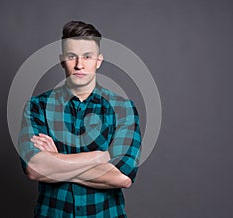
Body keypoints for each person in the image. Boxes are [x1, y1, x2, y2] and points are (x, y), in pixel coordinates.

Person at [18, 20, 141, 217]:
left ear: (98, 61)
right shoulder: (37, 106)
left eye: (87, 56)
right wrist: (100, 156)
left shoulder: (122, 109)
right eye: (71, 56)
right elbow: (34, 168)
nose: (79, 65)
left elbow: (123, 177)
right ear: (61, 60)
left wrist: (56, 163)